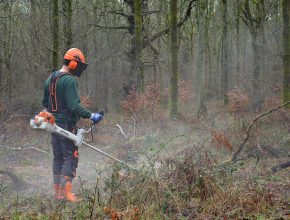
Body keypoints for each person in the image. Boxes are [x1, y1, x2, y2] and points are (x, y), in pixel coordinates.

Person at [42, 48, 103, 202]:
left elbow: (45, 103)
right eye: (80, 66)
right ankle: (68, 194)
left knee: (58, 157)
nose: (80, 70)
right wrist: (92, 115)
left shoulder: (51, 78)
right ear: (73, 63)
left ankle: (58, 193)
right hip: (66, 125)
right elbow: (74, 106)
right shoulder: (69, 80)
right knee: (70, 157)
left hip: (52, 125)